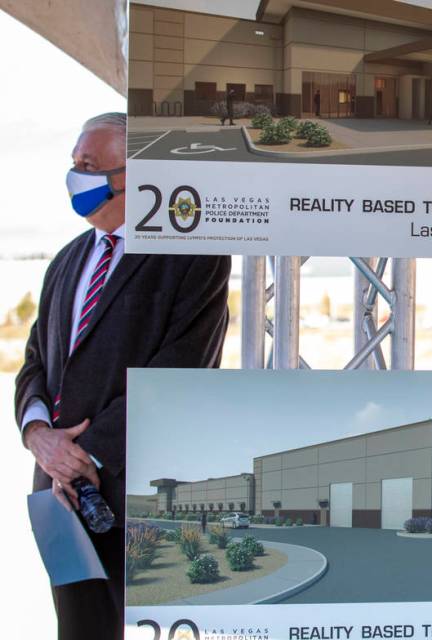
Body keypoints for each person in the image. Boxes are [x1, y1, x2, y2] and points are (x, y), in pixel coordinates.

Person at [14, 112, 231, 640]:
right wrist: (40, 437)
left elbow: (183, 368)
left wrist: (87, 453)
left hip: (137, 487)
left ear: (134, 175)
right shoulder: (66, 260)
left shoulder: (191, 255)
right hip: (60, 494)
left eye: (88, 165)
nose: (76, 176)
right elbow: (36, 363)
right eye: (74, 164)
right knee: (80, 628)